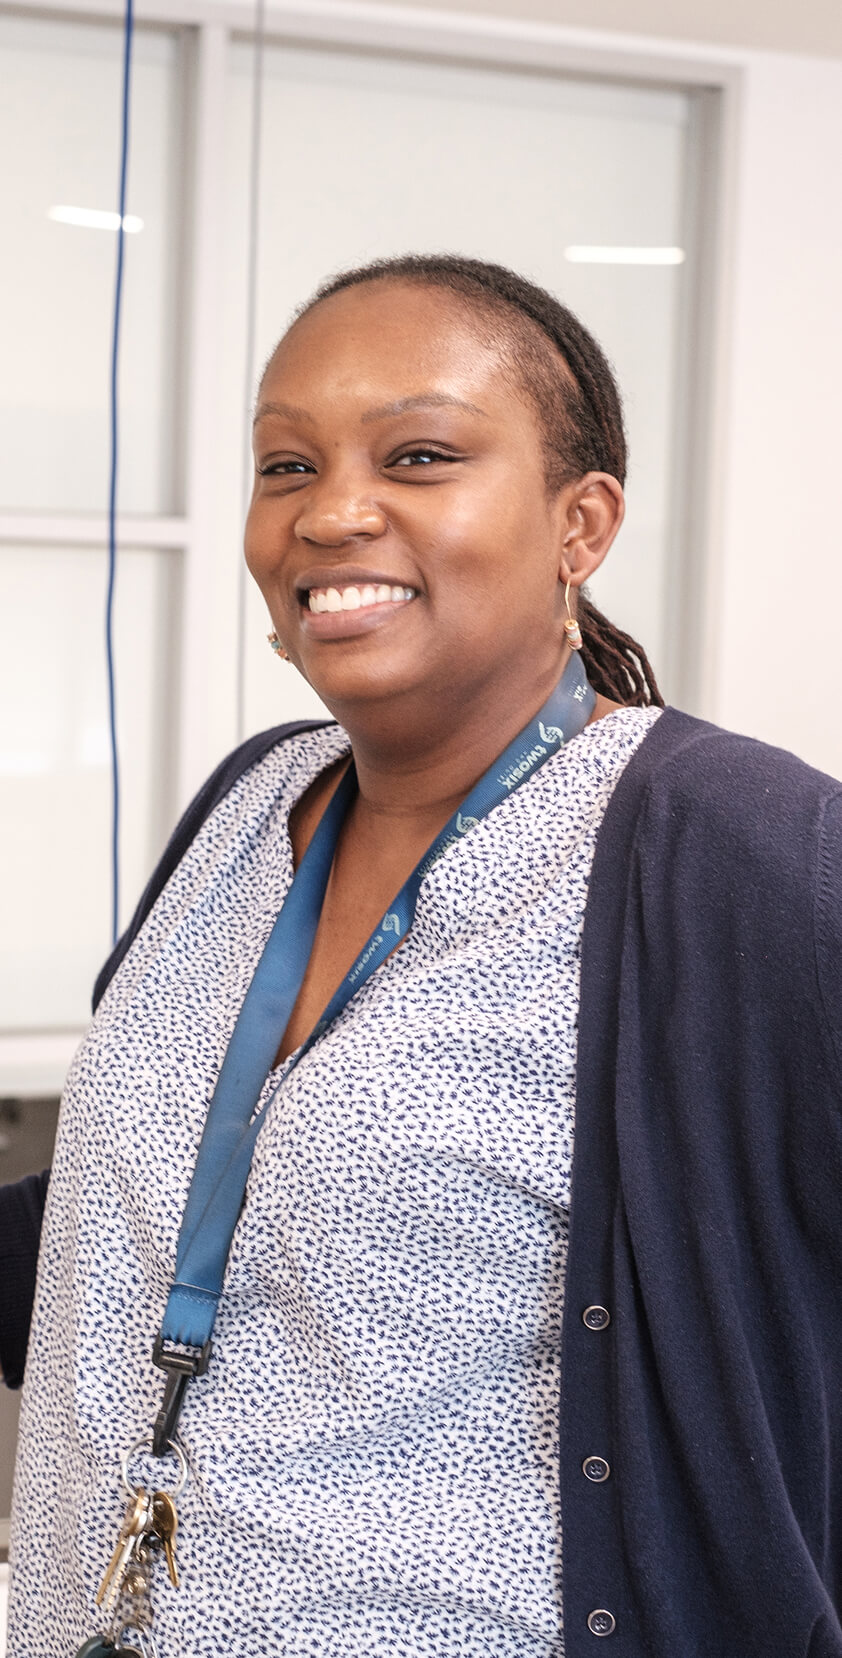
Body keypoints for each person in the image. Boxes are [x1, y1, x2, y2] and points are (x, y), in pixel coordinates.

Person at [4, 254, 842, 1658]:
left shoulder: (733, 848)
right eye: (285, 464)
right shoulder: (248, 803)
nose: (330, 512)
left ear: (581, 522)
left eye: (418, 454)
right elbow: (157, 1208)